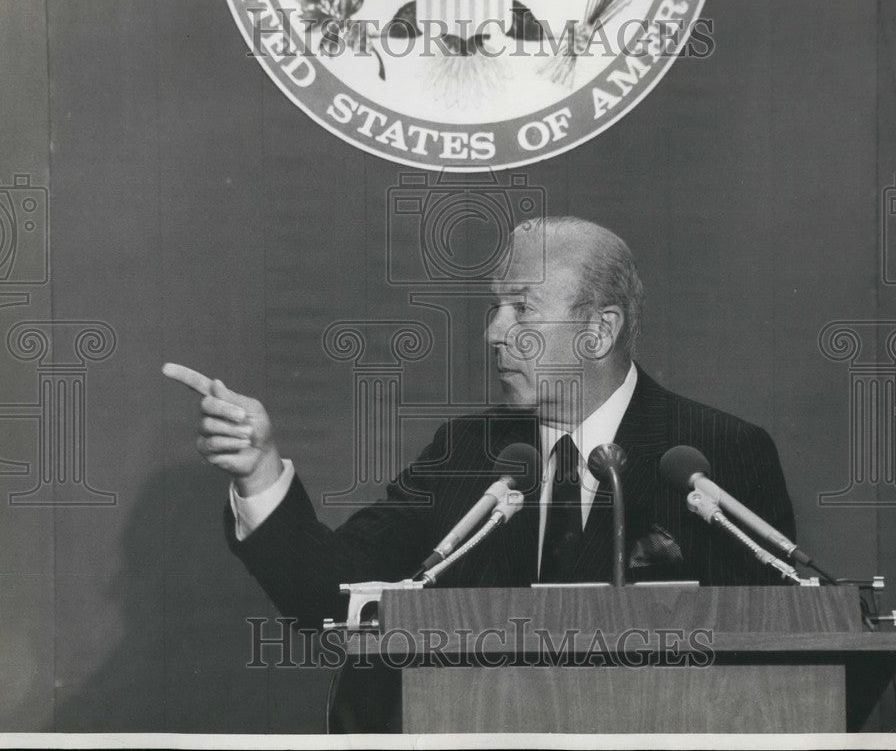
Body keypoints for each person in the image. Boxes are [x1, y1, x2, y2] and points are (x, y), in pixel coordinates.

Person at [164, 216, 796, 727]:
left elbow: (785, 651)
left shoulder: (715, 454)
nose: (495, 332)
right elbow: (330, 595)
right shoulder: (465, 450)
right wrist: (259, 472)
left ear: (599, 331)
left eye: (522, 309)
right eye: (495, 308)